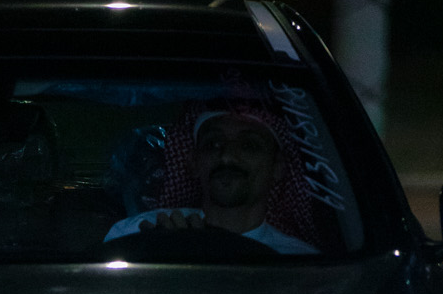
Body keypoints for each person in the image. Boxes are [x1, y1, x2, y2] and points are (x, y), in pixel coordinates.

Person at [103, 107, 318, 254]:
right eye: (213, 144)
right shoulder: (133, 233)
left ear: (277, 167)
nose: (227, 157)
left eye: (249, 146)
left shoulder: (300, 262)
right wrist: (157, 250)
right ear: (194, 163)